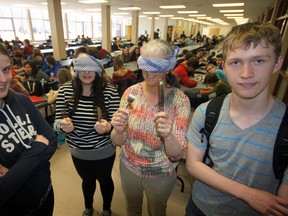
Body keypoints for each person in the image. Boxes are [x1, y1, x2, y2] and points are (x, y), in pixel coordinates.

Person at [185, 22, 288, 215]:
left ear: (277, 63)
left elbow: (281, 204)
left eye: (259, 61)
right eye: (236, 62)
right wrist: (248, 194)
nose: (246, 74)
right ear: (224, 65)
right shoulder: (207, 112)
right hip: (200, 207)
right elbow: (193, 164)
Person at [110, 39, 191, 216]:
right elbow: (117, 141)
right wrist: (117, 129)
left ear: (169, 67)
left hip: (160, 173)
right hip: (129, 166)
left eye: (157, 66)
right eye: (146, 64)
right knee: (132, 209)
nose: (149, 71)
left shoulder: (179, 101)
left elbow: (177, 154)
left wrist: (168, 135)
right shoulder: (131, 93)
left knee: (157, 211)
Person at [53, 52, 120, 216]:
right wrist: (62, 126)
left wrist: (109, 126)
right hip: (78, 151)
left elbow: (118, 124)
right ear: (75, 69)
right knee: (87, 181)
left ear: (98, 69)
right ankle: (88, 207)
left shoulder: (109, 92)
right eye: (82, 67)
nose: (87, 72)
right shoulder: (65, 90)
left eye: (91, 68)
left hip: (103, 149)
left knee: (105, 180)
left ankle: (106, 209)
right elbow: (56, 123)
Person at [0, 43, 57, 215]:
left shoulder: (21, 101)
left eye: (5, 69)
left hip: (46, 193)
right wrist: (38, 147)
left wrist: (15, 173)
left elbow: (52, 140)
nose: (3, 80)